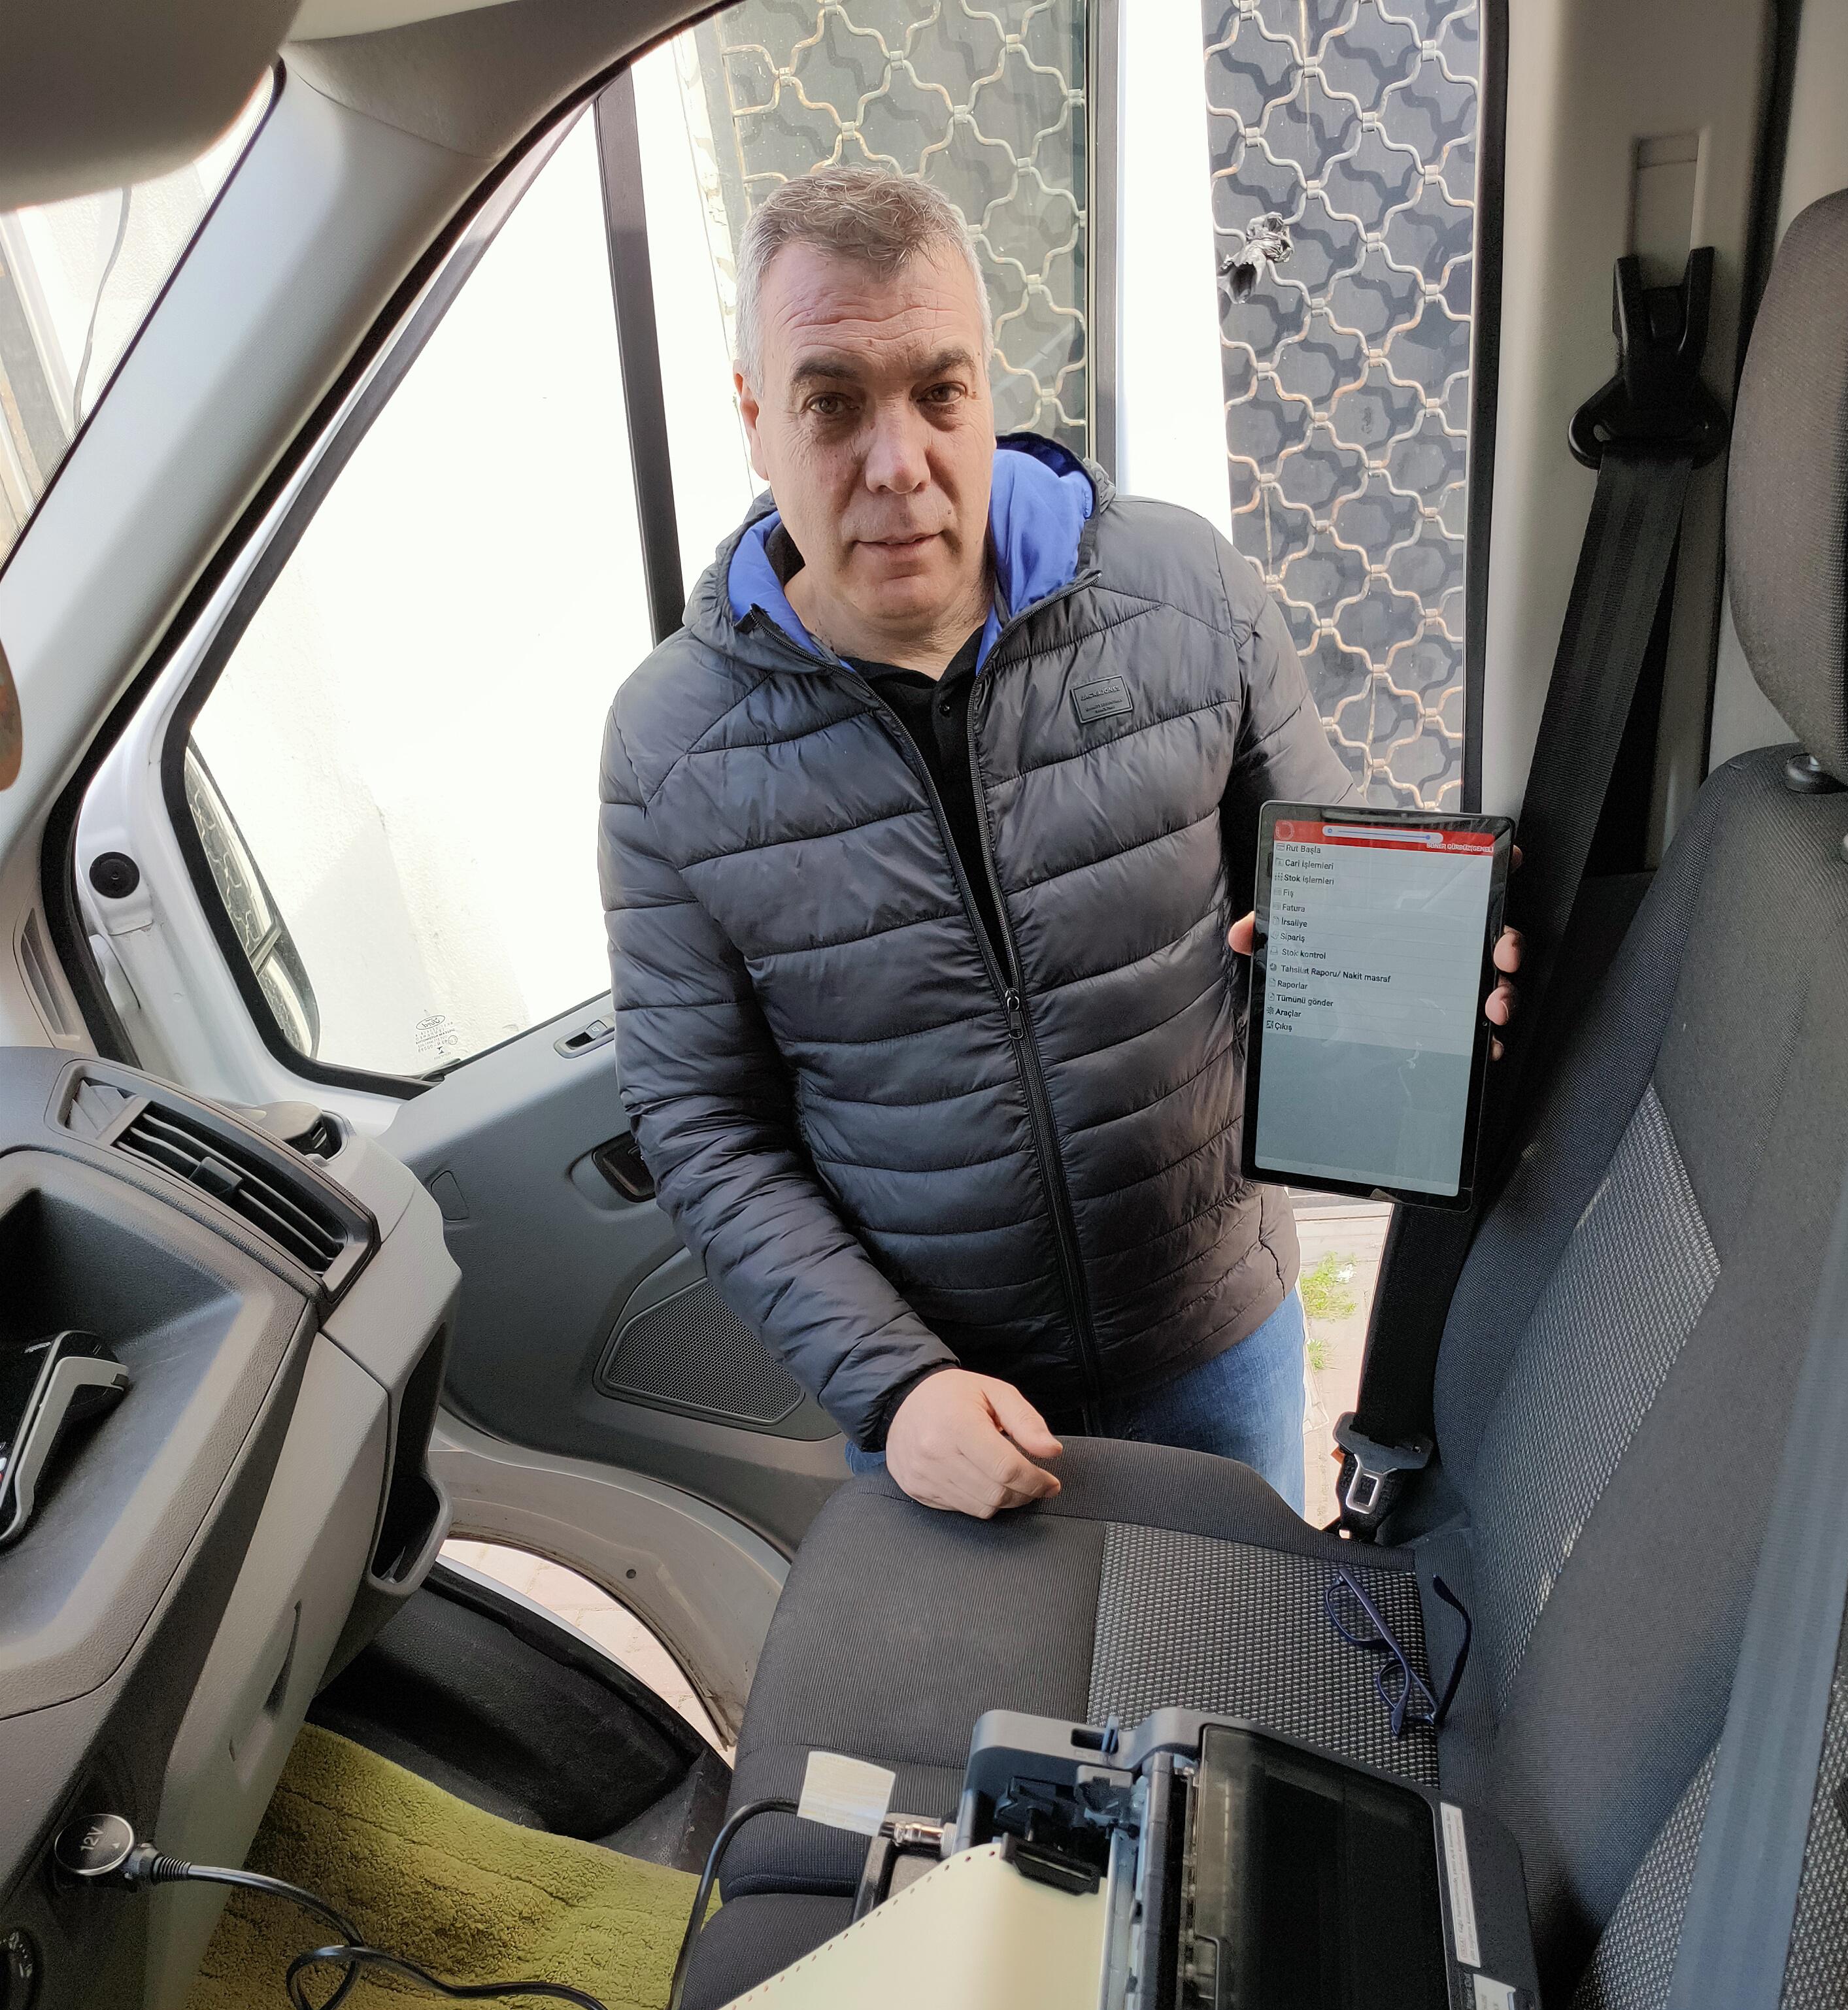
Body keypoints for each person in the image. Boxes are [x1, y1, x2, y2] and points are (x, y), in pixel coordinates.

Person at [601, 168, 1518, 1521]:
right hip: (943, 1398)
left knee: (1237, 1652)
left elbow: (1335, 900)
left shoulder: (1189, 595)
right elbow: (702, 1122)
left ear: (987, 390)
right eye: (832, 402)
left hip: (1217, 1331)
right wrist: (894, 1384)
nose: (898, 462)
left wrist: (1432, 990)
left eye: (939, 391)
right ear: (754, 417)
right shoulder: (669, 744)